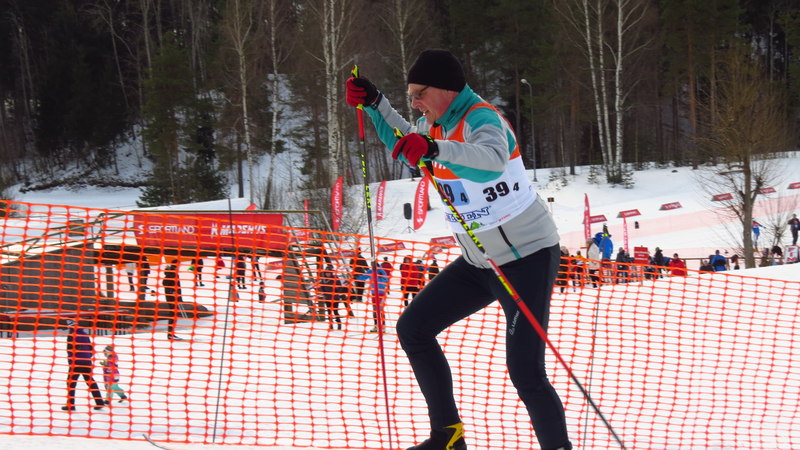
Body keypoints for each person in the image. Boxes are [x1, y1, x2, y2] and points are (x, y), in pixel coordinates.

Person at [346, 49, 572, 450]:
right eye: (411, 97)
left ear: (445, 89)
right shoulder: (433, 124)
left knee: (525, 371)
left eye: (419, 94)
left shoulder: (482, 118)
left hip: (526, 259)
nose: (415, 104)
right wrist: (376, 103)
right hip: (479, 263)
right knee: (413, 329)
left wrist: (433, 149)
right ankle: (447, 437)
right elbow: (404, 139)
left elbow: (491, 161)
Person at [62, 327, 106, 411]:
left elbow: (70, 350)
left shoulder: (71, 335)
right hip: (87, 362)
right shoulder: (85, 334)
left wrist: (71, 362)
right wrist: (87, 357)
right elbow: (91, 348)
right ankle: (99, 402)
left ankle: (70, 405)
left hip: (76, 363)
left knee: (71, 384)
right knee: (91, 382)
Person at [356, 266, 389, 333]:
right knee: (375, 310)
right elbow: (363, 277)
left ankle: (383, 326)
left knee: (380, 310)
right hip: (374, 293)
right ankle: (376, 326)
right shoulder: (371, 271)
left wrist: (381, 276)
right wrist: (357, 276)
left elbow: (386, 279)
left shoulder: (381, 270)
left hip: (381, 293)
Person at [163, 259, 185, 340]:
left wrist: (179, 297)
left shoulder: (174, 273)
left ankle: (171, 333)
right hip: (172, 298)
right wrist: (172, 291)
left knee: (174, 315)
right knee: (173, 315)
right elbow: (165, 283)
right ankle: (170, 334)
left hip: (174, 298)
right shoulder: (171, 273)